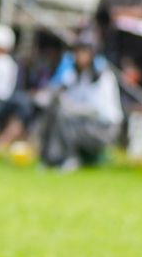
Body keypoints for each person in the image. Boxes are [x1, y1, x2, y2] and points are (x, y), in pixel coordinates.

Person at [36, 34, 122, 170]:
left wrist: (70, 108)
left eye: (83, 52)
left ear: (92, 54)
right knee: (54, 110)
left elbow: (96, 111)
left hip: (104, 128)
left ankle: (70, 158)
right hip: (83, 123)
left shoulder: (103, 77)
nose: (79, 56)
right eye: (77, 52)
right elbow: (60, 92)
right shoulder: (76, 75)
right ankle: (49, 159)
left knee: (64, 115)